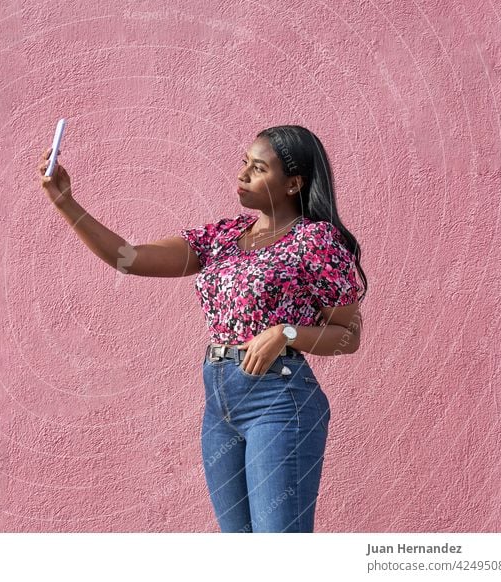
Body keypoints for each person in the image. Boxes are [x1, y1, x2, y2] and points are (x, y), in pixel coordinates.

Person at [37, 125, 367, 533]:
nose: (243, 173)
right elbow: (127, 257)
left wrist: (288, 332)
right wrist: (66, 202)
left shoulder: (315, 240)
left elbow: (348, 335)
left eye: (259, 168)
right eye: (244, 162)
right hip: (220, 403)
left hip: (280, 402)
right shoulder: (224, 238)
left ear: (293, 184)